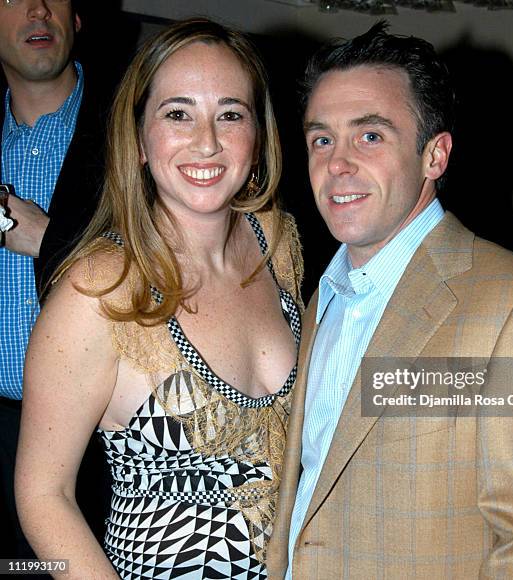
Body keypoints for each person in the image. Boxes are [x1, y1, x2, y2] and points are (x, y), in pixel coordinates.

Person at [266, 22, 513, 579]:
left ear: (435, 156)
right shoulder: (319, 301)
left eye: (371, 135)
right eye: (321, 138)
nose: (337, 163)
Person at [16, 17, 303, 579]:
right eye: (178, 114)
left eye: (230, 114)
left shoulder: (276, 240)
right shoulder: (96, 289)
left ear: (259, 134)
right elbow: (43, 497)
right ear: (140, 139)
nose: (207, 141)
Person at [0, 0, 110, 558]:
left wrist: (48, 238)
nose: (37, 9)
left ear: (77, 18)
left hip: (98, 448)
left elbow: (187, 278)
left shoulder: (140, 126)